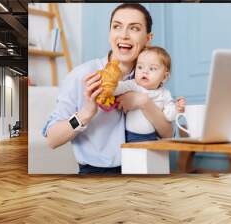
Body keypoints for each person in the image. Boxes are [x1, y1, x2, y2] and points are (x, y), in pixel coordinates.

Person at [42, 3, 173, 174]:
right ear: (110, 33)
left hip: (146, 165)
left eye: (134, 28)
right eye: (117, 27)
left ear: (148, 38)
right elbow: (52, 139)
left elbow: (168, 134)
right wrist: (85, 114)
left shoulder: (150, 76)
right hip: (97, 173)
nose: (124, 35)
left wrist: (143, 102)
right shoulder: (81, 75)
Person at [113, 46, 185, 143]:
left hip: (153, 138)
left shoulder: (164, 94)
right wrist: (109, 86)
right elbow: (119, 88)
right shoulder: (133, 85)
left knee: (152, 157)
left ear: (164, 76)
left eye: (152, 68)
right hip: (130, 137)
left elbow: (169, 116)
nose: (145, 71)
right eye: (140, 67)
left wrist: (177, 109)